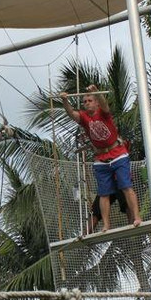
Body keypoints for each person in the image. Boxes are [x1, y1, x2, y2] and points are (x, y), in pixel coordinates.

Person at [60, 85, 141, 232]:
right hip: (101, 159)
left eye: (90, 100)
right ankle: (106, 225)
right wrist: (65, 100)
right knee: (104, 193)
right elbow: (71, 113)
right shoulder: (84, 117)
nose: (87, 103)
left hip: (117, 154)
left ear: (96, 102)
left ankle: (136, 217)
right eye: (85, 102)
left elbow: (104, 103)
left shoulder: (103, 112)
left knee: (126, 187)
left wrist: (96, 92)